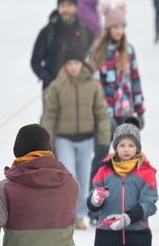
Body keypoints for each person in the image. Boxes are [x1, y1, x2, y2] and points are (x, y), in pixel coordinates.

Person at [41, 57, 111, 229]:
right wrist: (45, 140)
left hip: (86, 140)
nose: (73, 67)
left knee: (83, 180)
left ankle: (80, 216)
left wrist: (104, 137)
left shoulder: (92, 85)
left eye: (77, 63)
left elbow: (101, 113)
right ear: (65, 65)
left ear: (83, 65)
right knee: (68, 177)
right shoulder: (57, 86)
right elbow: (50, 115)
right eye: (70, 63)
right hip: (64, 139)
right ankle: (66, 216)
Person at [90, 3, 146, 129]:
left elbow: (135, 80)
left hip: (126, 108)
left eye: (122, 27)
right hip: (104, 110)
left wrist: (140, 111)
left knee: (125, 147)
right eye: (115, 27)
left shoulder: (129, 51)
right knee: (104, 147)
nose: (119, 31)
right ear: (108, 29)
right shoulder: (98, 52)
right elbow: (94, 84)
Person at [31, 0, 95, 91]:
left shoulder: (86, 32)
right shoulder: (47, 32)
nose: (65, 9)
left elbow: (92, 60)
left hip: (79, 90)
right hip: (52, 90)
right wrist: (48, 79)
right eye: (62, 5)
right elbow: (35, 62)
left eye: (69, 5)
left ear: (76, 8)